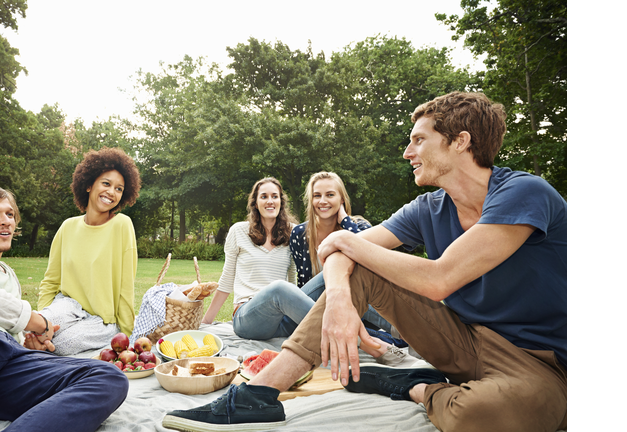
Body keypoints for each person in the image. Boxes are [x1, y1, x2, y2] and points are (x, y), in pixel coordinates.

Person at [162, 91, 567, 432]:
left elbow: (440, 278)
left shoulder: (523, 192)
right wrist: (339, 295)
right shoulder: (428, 208)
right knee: (358, 269)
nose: (408, 152)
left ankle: (413, 386)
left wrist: (343, 240)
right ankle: (256, 395)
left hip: (538, 359)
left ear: (460, 141)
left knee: (478, 416)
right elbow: (337, 253)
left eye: (419, 140)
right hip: (462, 339)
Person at [0, 185, 128, 432]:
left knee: (106, 378)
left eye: (10, 214)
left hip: (3, 362)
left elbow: (8, 322)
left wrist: (28, 344)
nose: (6, 221)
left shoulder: (9, 275)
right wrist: (41, 323)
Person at [26, 147, 141, 356]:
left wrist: (127, 336)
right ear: (89, 185)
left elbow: (126, 287)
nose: (111, 192)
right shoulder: (67, 227)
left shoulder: (122, 225)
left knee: (60, 345)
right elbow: (50, 281)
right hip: (66, 305)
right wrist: (43, 319)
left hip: (101, 321)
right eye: (106, 184)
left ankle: (35, 354)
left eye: (119, 189)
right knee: (32, 328)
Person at [291, 171, 411, 363]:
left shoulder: (359, 226)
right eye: (317, 195)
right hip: (315, 307)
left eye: (330, 195)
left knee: (342, 269)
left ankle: (398, 330)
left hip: (354, 305)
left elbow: (370, 262)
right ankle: (399, 328)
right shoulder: (299, 233)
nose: (323, 201)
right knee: (330, 271)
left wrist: (345, 221)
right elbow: (304, 281)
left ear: (341, 199)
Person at [201, 177, 309, 340]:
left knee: (323, 281)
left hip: (280, 321)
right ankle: (339, 332)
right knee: (278, 288)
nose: (270, 201)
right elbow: (227, 279)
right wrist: (205, 322)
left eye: (275, 196)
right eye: (264, 196)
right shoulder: (238, 231)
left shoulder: (294, 232)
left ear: (281, 201)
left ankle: (352, 330)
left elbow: (293, 280)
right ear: (255, 203)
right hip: (247, 319)